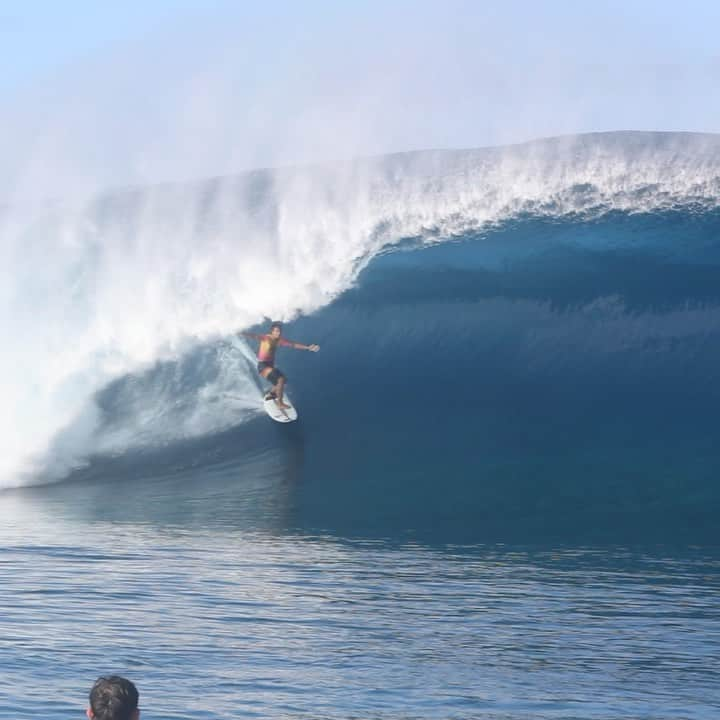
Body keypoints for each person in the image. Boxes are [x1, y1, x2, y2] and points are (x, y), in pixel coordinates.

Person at [243, 321, 319, 409]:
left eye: (279, 331)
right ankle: (280, 403)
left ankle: (271, 394)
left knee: (283, 381)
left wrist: (308, 347)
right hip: (262, 366)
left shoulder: (280, 340)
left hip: (270, 365)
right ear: (272, 331)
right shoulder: (265, 338)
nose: (278, 333)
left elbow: (294, 345)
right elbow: (253, 335)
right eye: (276, 331)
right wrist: (240, 332)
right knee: (280, 379)